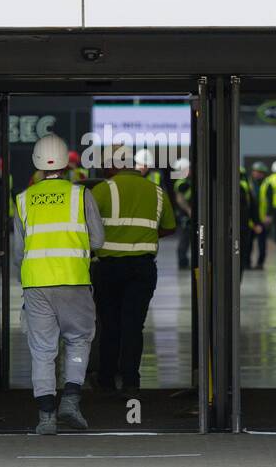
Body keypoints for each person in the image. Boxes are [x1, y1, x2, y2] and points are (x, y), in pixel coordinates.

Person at [11, 133, 105, 435]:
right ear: (66, 163)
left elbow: (18, 251)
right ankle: (71, 400)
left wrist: (26, 278)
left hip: (36, 284)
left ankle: (46, 417)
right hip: (74, 280)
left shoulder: (23, 200)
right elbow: (98, 239)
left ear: (37, 164)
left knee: (42, 350)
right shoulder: (80, 195)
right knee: (78, 339)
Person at [91, 144, 178, 393]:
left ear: (111, 165)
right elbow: (170, 227)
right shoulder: (157, 191)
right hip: (142, 268)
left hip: (108, 268)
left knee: (109, 325)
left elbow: (85, 225)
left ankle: (106, 380)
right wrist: (143, 236)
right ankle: (130, 381)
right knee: (133, 325)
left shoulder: (101, 190)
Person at [171, 157, 195, 270]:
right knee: (184, 239)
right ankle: (183, 262)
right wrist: (189, 211)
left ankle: (186, 261)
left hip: (188, 214)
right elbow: (181, 201)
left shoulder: (188, 181)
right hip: (185, 215)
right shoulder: (181, 184)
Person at [248, 161, 269, 268]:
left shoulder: (266, 184)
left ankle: (260, 263)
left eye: (261, 172)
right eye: (257, 172)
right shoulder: (249, 184)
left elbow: (270, 201)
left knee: (262, 244)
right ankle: (247, 263)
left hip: (262, 218)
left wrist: (268, 216)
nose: (258, 174)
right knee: (248, 243)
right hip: (251, 219)